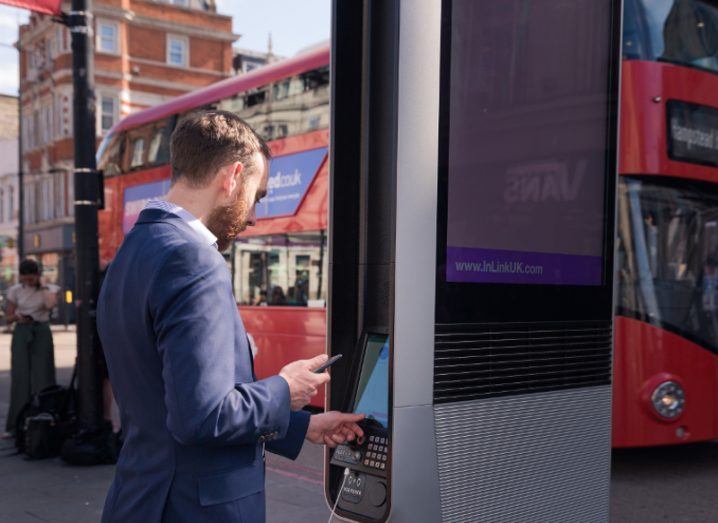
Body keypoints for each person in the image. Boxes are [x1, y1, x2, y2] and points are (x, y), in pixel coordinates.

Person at [97, 111, 363, 523]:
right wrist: (284, 388)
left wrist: (299, 427)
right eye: (257, 195)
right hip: (191, 510)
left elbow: (166, 402)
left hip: (141, 499)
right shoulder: (193, 258)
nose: (255, 216)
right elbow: (202, 416)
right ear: (233, 176)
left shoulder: (132, 251)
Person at [2, 258, 59, 439]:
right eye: (25, 278)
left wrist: (42, 287)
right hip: (22, 330)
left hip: (41, 329)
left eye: (31, 278)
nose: (28, 281)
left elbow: (50, 306)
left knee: (44, 376)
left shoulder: (49, 289)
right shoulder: (15, 291)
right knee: (21, 377)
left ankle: (46, 421)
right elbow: (8, 317)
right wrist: (17, 316)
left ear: (37, 275)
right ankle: (16, 424)